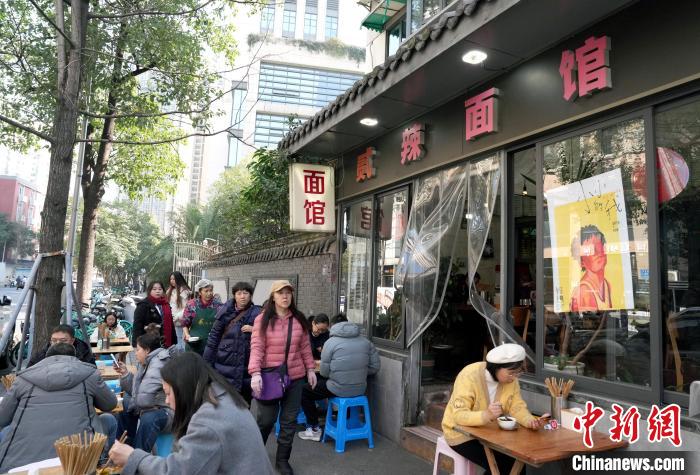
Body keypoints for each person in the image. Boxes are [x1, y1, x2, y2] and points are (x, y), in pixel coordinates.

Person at [108, 353, 273, 475]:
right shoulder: (221, 396)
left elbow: (178, 471)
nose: (167, 401)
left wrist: (132, 457)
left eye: (168, 393)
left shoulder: (209, 420)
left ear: (183, 388)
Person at [0, 343, 116, 472]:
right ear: (75, 358)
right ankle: (103, 465)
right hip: (79, 460)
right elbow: (110, 404)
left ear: (46, 357)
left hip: (19, 462)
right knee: (109, 420)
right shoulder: (89, 374)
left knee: (7, 431)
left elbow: (2, 419)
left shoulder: (23, 378)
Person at [442, 344, 544, 474]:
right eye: (511, 373)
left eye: (518, 373)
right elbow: (458, 416)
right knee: (501, 465)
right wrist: (486, 415)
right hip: (461, 434)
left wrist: (530, 421)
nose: (514, 377)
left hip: (491, 434)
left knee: (518, 462)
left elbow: (517, 407)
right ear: (496, 368)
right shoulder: (469, 375)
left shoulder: (511, 380)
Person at [249, 280, 315, 475]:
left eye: (288, 293)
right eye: (280, 293)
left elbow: (305, 347)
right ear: (273, 297)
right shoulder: (262, 319)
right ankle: (255, 454)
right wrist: (255, 373)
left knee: (289, 421)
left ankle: (282, 460)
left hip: (294, 378)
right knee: (266, 420)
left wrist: (310, 369)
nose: (285, 296)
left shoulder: (299, 319)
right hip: (269, 378)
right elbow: (257, 347)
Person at [298, 319, 380, 442]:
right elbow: (375, 367)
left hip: (338, 388)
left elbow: (324, 373)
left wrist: (339, 373)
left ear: (333, 326)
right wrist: (358, 373)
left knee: (304, 391)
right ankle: (346, 420)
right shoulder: (366, 342)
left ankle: (314, 428)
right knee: (325, 386)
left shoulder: (330, 343)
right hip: (360, 389)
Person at [114, 333, 172, 452]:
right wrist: (125, 373)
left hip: (170, 411)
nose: (135, 353)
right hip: (154, 405)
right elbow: (138, 391)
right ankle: (124, 447)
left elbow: (143, 399)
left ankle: (137, 455)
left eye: (138, 350)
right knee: (127, 401)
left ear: (147, 350)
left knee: (149, 418)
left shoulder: (158, 364)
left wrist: (135, 404)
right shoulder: (147, 361)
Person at [203, 281, 260, 402]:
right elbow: (213, 338)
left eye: (246, 293)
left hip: (246, 367)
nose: (242, 296)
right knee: (225, 402)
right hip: (224, 364)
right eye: (239, 293)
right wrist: (206, 365)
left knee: (244, 404)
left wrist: (255, 329)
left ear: (250, 295)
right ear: (234, 296)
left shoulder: (258, 314)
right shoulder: (225, 312)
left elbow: (268, 334)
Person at [570, 225, 612, 312]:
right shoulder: (584, 290)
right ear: (582, 262)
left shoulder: (606, 284)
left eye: (599, 246)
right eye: (590, 250)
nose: (597, 252)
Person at [181, 279, 223, 355]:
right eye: (206, 291)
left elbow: (223, 323)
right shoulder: (192, 305)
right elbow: (184, 324)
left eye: (211, 290)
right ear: (200, 292)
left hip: (212, 345)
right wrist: (187, 335)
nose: (209, 293)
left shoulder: (218, 305)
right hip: (194, 345)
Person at [133, 281, 177, 349]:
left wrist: (174, 340)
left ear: (163, 291)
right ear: (149, 291)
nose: (157, 291)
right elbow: (137, 326)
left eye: (160, 289)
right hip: (149, 343)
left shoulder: (165, 304)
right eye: (154, 289)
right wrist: (136, 345)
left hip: (166, 341)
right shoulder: (143, 305)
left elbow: (171, 324)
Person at [28, 324, 95, 367]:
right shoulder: (42, 354)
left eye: (63, 340)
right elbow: (30, 371)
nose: (58, 343)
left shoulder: (84, 352)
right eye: (54, 340)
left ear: (72, 341)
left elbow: (91, 371)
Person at [166, 271, 191, 346]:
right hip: (172, 320)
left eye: (174, 279)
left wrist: (176, 317)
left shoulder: (184, 291)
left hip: (181, 321)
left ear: (178, 279)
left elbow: (186, 307)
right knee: (175, 341)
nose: (172, 281)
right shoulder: (169, 291)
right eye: (171, 279)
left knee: (182, 342)